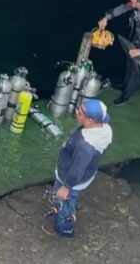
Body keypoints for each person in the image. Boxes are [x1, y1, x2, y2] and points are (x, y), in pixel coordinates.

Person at [42, 99, 112, 238]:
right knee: (64, 199)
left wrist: (66, 187)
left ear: (90, 120)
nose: (76, 111)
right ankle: (59, 206)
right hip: (85, 173)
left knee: (65, 202)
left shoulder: (85, 146)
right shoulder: (104, 128)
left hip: (70, 179)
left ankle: (65, 227)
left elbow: (77, 169)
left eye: (80, 112)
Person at [97, 0, 140, 105]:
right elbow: (124, 7)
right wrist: (106, 18)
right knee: (129, 62)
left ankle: (126, 95)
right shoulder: (136, 3)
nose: (133, 6)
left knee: (136, 68)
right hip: (137, 38)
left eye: (136, 4)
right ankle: (125, 84)